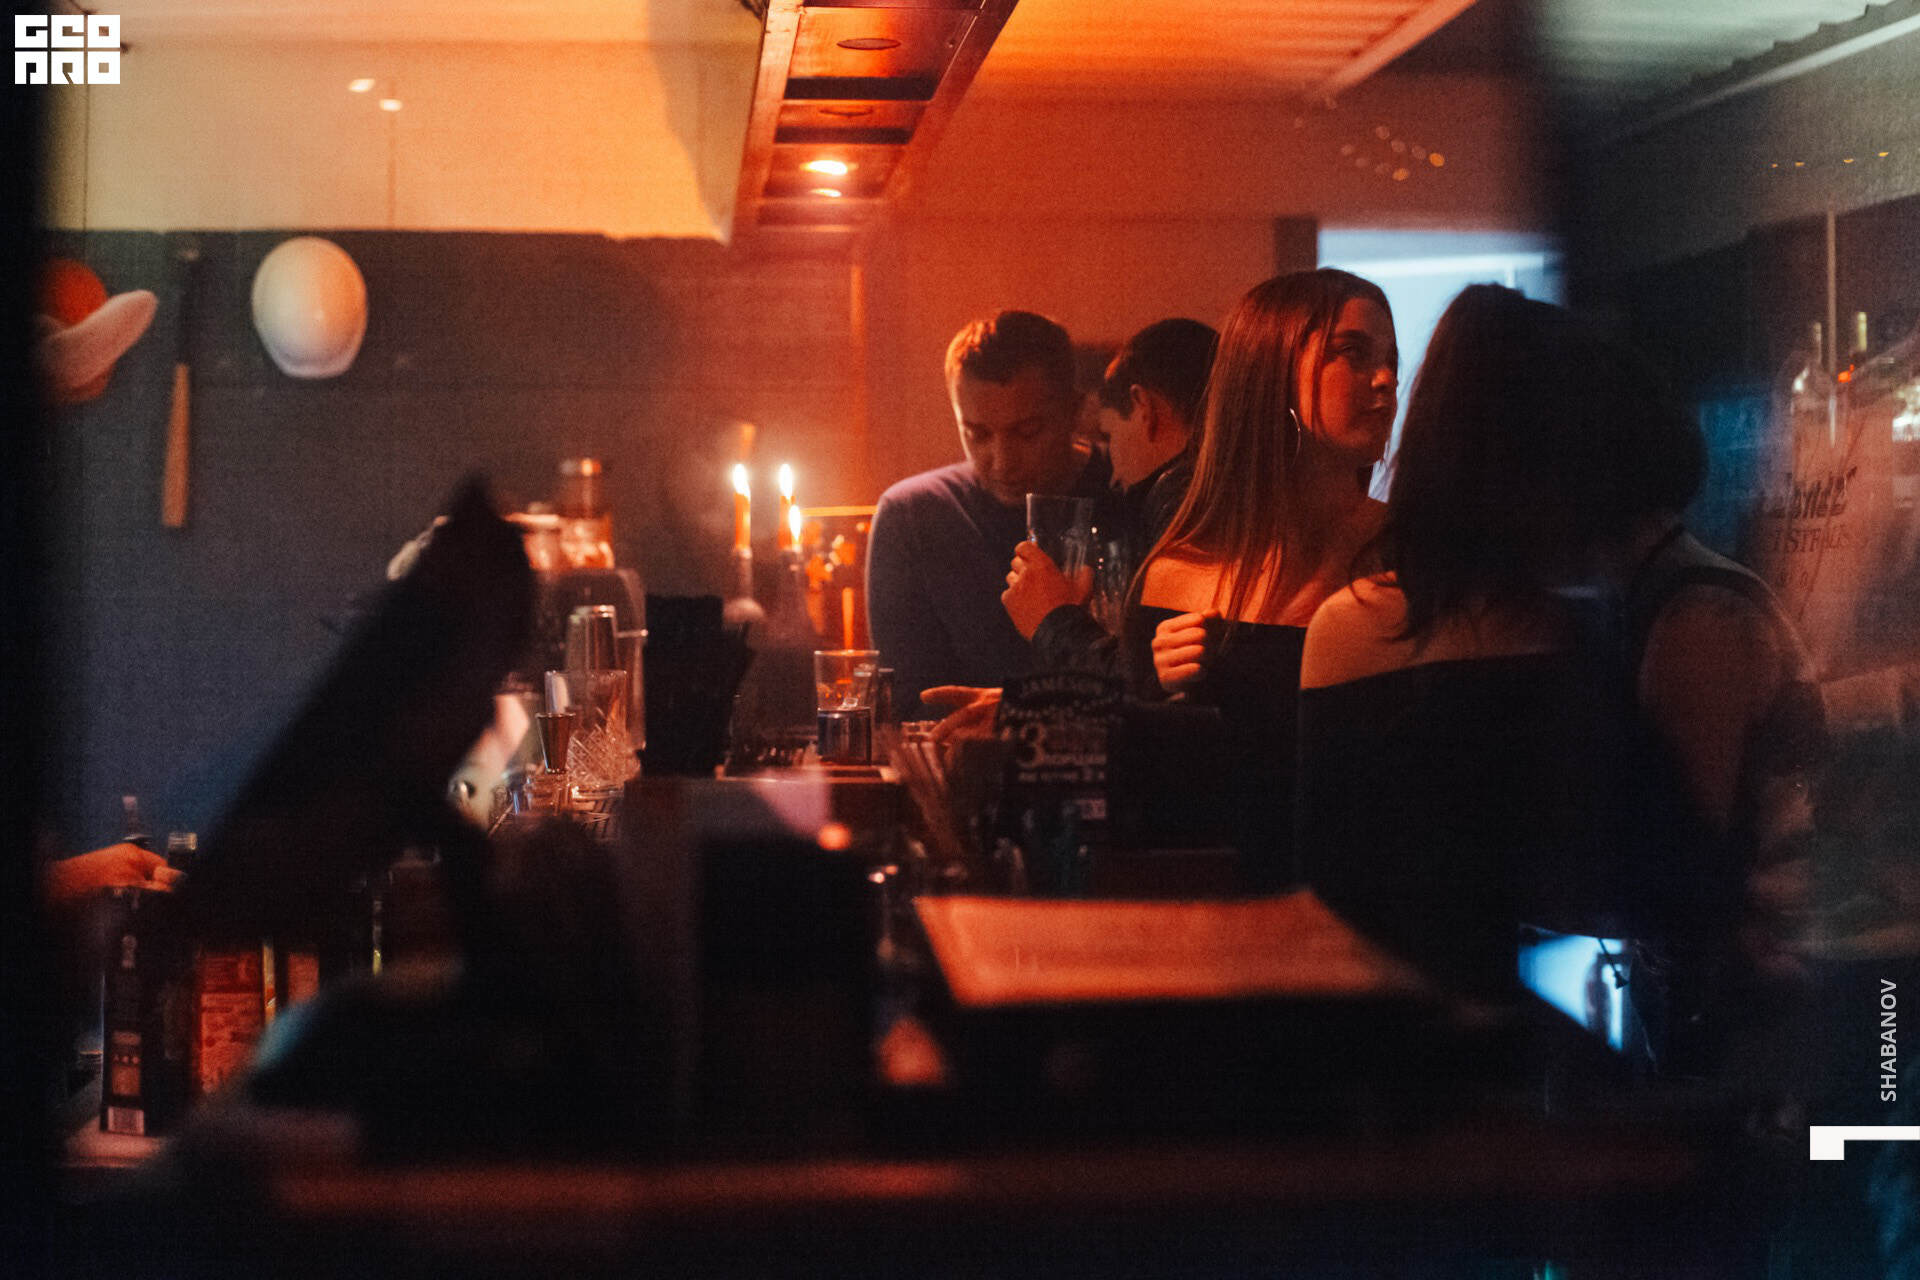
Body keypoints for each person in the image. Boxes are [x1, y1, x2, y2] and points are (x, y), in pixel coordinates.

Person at [1298, 285, 1822, 1074]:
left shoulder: (1348, 628)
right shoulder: (1586, 628)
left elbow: (1336, 898)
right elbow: (1658, 909)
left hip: (1400, 1063)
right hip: (1572, 1062)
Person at [1132, 269, 1399, 889]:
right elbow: (1160, 809)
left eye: (1391, 358)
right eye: (1352, 352)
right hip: (1226, 916)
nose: (1386, 379)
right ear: (1271, 370)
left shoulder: (1414, 553)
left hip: (1378, 906)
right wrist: (1159, 697)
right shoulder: (1177, 574)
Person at [931, 319, 1218, 739]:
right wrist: (1028, 708)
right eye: (976, 433)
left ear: (1144, 409)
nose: (1113, 472)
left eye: (1109, 434)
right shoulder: (1213, 494)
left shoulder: (1180, 500)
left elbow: (1157, 695)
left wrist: (1053, 620)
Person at [866, 310, 1113, 718]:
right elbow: (915, 705)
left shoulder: (1125, 491)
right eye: (977, 434)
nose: (1002, 462)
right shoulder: (914, 516)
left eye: (1028, 432)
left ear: (1075, 412)